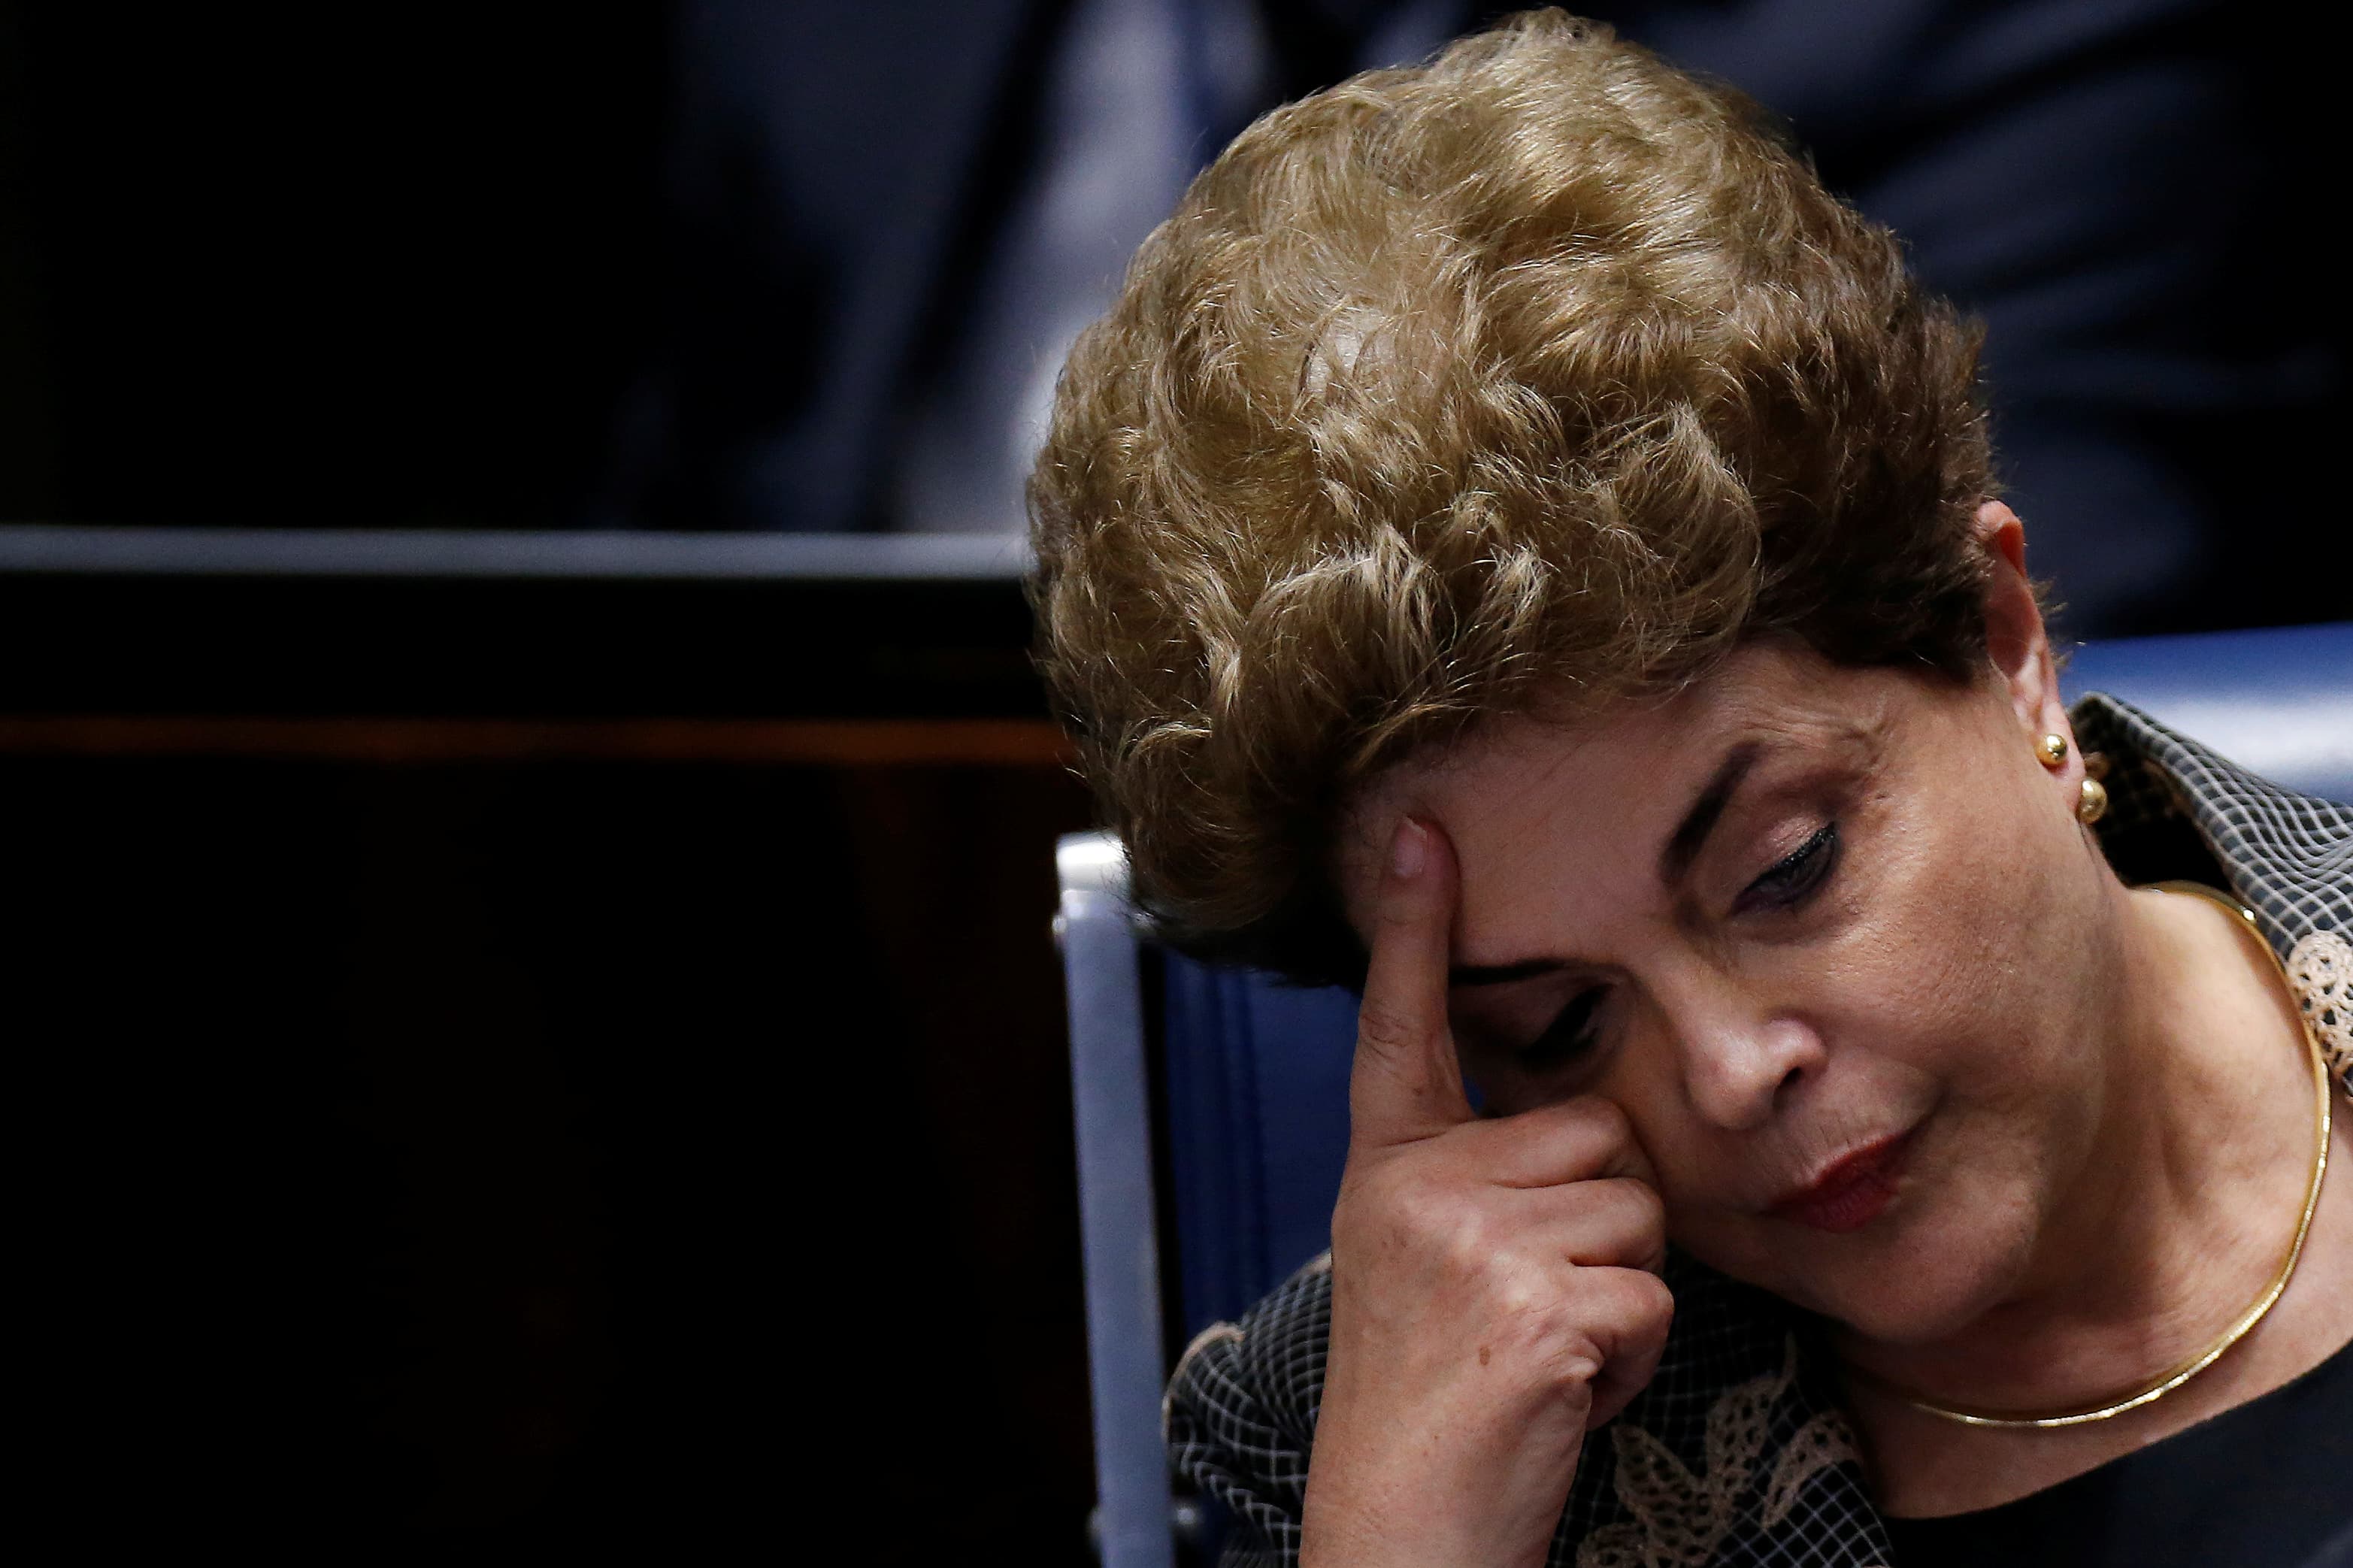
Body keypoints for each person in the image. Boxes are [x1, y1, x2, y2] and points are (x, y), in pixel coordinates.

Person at [1026, 11, 2353, 1565]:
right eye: (1557, 1024)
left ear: (2002, 650)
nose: (1726, 1073)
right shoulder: (1386, 1451)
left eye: (1785, 867)